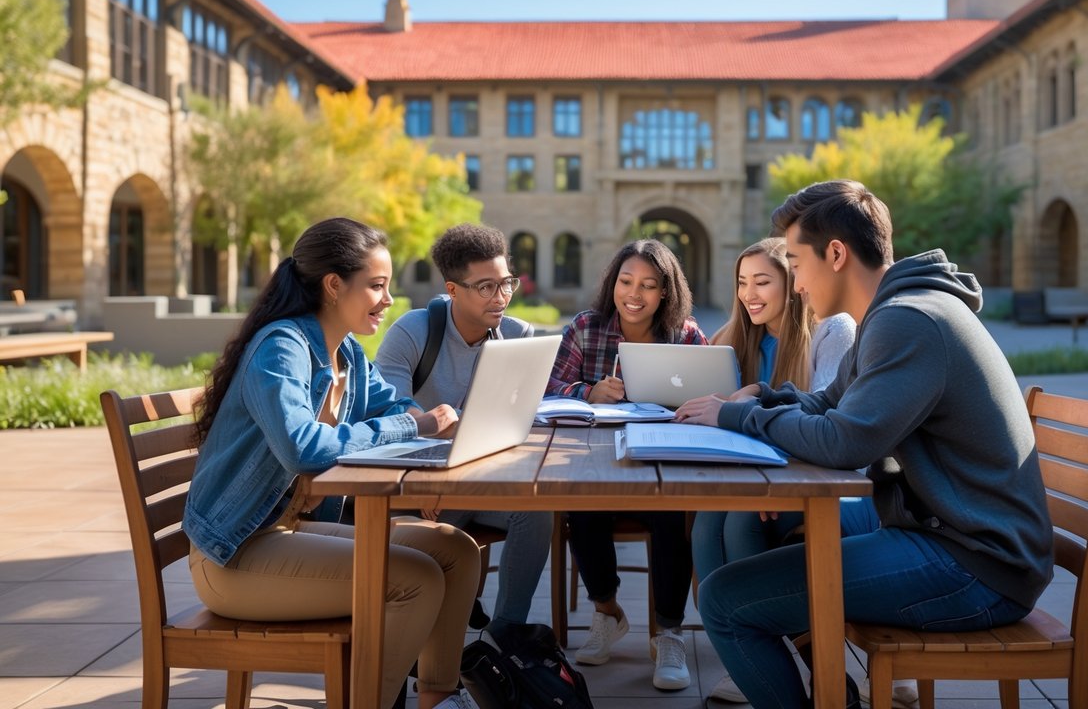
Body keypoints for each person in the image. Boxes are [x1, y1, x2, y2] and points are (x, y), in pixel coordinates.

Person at [675, 180, 1054, 709]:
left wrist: (737, 417)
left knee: (723, 601)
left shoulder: (908, 320)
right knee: (749, 536)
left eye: (797, 264)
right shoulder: (892, 312)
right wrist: (759, 396)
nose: (798, 284)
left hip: (975, 566)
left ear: (836, 254)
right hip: (956, 540)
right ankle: (833, 691)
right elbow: (829, 402)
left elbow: (844, 440)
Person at [183, 217, 480, 709]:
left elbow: (390, 407)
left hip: (288, 534)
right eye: (377, 286)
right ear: (334, 285)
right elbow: (304, 448)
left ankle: (437, 698)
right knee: (416, 579)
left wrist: (435, 422)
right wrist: (418, 426)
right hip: (234, 555)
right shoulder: (282, 349)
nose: (388, 300)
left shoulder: (347, 355)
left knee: (456, 550)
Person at [688, 237, 856, 704]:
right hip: (758, 477)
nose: (749, 294)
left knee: (742, 523)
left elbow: (827, 426)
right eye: (742, 282)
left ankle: (810, 666)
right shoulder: (738, 335)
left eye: (762, 281)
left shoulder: (830, 331)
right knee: (705, 526)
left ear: (794, 282)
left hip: (820, 481)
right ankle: (748, 655)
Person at [376, 223, 553, 637]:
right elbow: (387, 419)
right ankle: (435, 641)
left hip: (484, 481)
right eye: (485, 287)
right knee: (437, 549)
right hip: (422, 490)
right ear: (452, 290)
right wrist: (427, 480)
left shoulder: (518, 335)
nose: (501, 296)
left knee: (539, 513)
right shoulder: (413, 332)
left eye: (506, 282)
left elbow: (517, 421)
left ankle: (504, 635)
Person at [545, 239, 706, 691]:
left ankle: (669, 632)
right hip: (593, 456)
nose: (634, 294)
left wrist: (683, 404)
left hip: (661, 458)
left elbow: (714, 392)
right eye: (626, 281)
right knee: (581, 503)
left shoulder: (686, 335)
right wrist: (587, 391)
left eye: (649, 286)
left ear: (666, 293)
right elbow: (548, 389)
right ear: (613, 282)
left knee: (672, 512)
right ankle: (607, 612)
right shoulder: (585, 327)